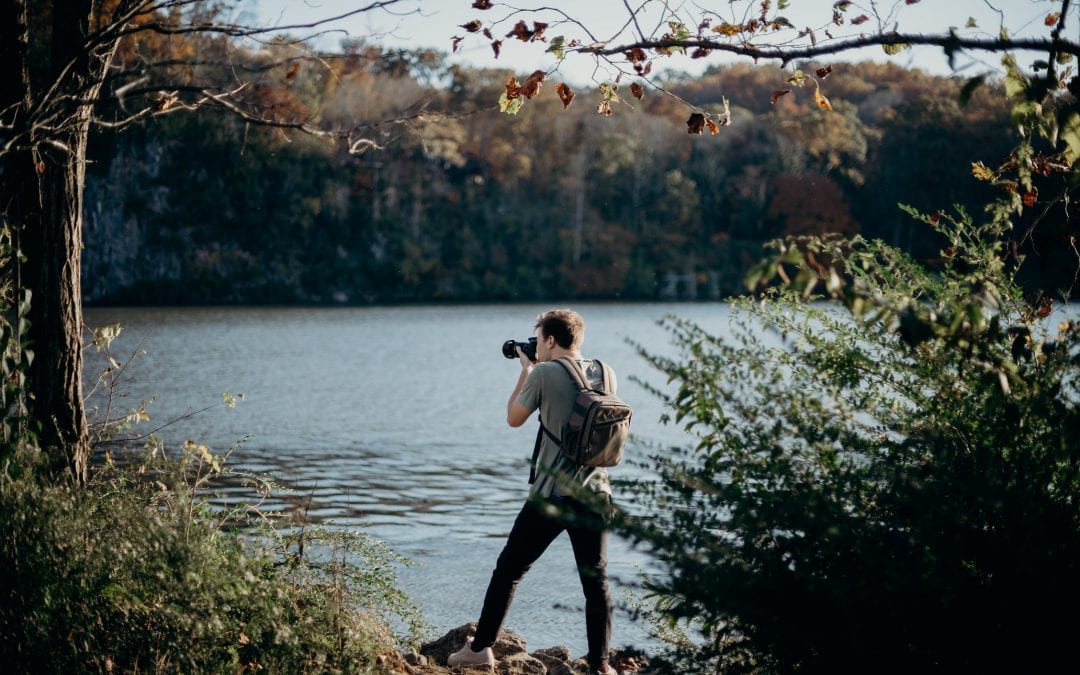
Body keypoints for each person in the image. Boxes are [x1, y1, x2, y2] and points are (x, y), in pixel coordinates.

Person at [448, 309, 617, 675]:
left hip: (552, 495)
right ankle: (602, 665)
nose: (536, 344)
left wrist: (526, 372)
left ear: (551, 340)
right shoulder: (606, 371)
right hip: (597, 493)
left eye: (538, 338)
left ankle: (480, 649)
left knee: (509, 570)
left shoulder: (542, 372)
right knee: (596, 580)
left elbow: (514, 418)